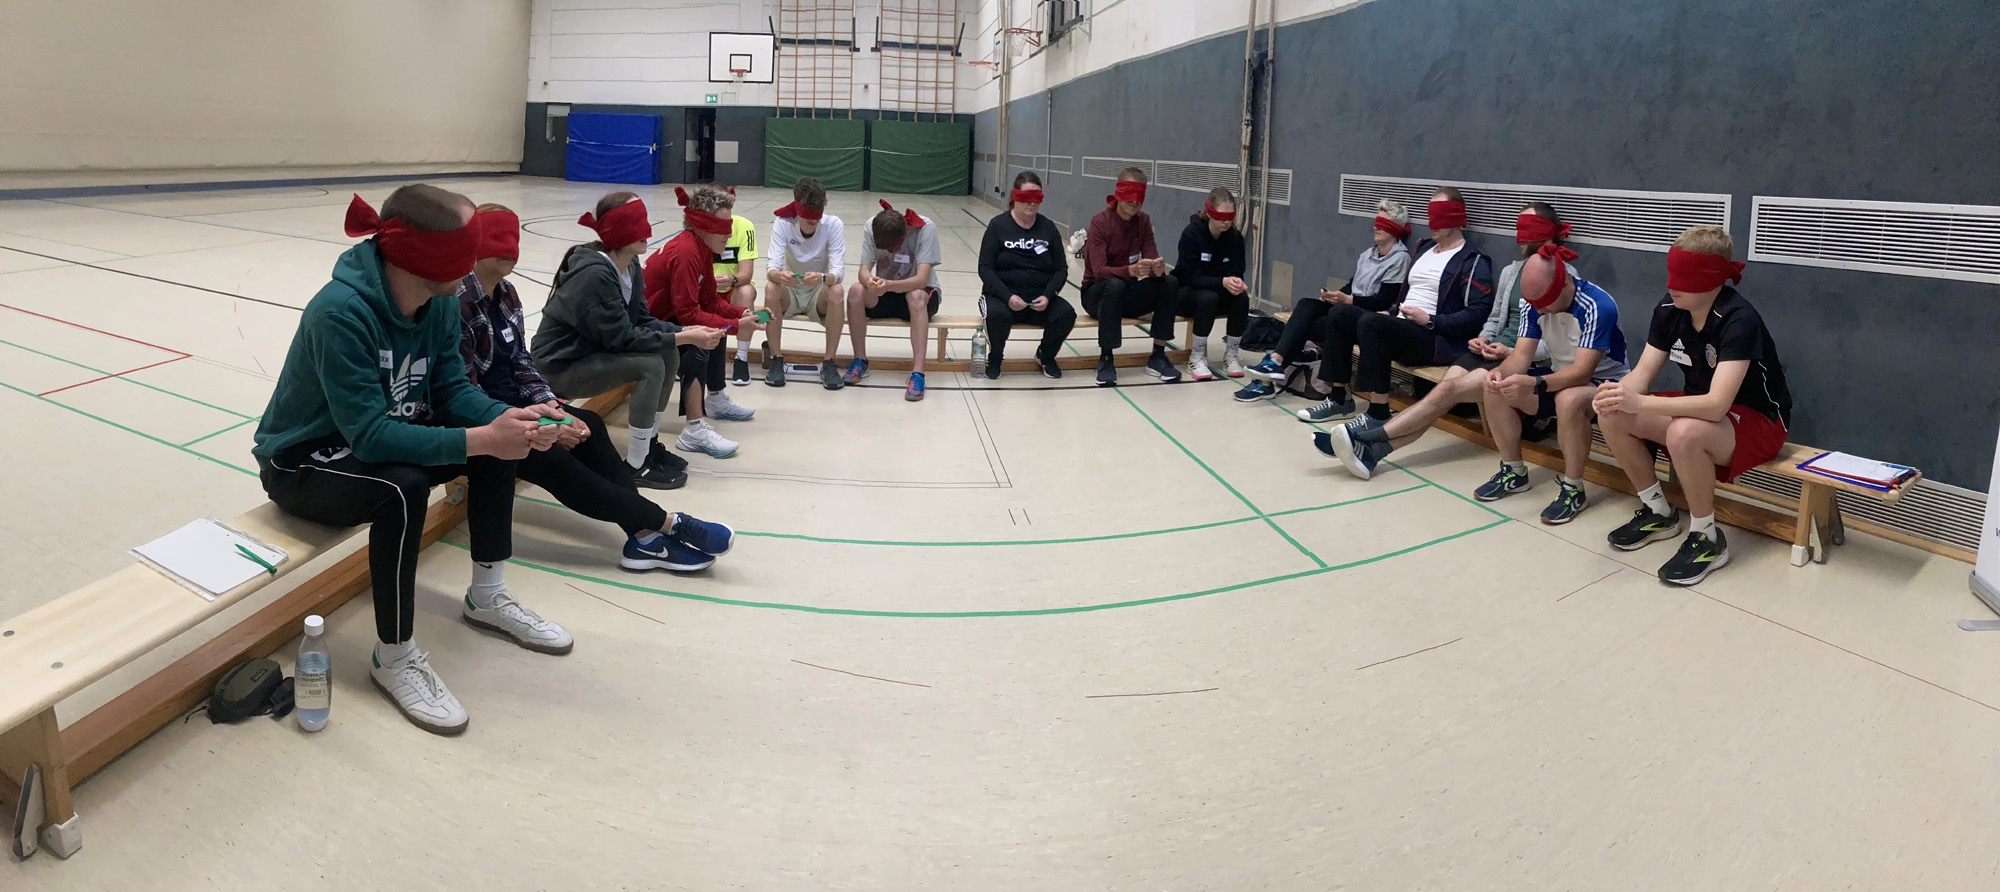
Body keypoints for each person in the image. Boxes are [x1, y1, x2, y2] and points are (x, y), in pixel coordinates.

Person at [252, 186, 565, 735]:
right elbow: (371, 437)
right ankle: (394, 657)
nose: (471, 266)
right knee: (404, 486)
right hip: (303, 461)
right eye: (462, 253)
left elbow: (452, 390)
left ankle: (487, 596)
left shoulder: (439, 302)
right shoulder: (340, 312)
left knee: (494, 444)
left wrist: (513, 418)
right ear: (426, 259)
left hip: (377, 435)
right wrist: (480, 437)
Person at [458, 203, 733, 575]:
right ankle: (667, 523)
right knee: (555, 460)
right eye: (498, 238)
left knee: (591, 425)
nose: (510, 249)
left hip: (523, 404)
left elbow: (521, 364)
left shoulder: (507, 294)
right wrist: (539, 423)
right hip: (487, 417)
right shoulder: (458, 302)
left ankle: (644, 538)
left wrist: (552, 408)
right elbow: (464, 391)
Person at [1594, 226, 1791, 585]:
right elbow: (1641, 376)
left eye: (1684, 277)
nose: (1672, 285)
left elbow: (1716, 406)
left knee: (1682, 432)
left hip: (1759, 420)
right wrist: (1617, 394)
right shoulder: (1670, 308)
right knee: (1614, 414)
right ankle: (1658, 512)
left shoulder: (1739, 319)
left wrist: (1641, 402)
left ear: (1712, 279)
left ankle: (1707, 538)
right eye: (1671, 274)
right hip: (1701, 410)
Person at [1311, 203, 1570, 470]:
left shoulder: (1564, 278)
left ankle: (1365, 439)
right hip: (1488, 351)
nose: (1519, 236)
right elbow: (1494, 318)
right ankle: (1371, 453)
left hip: (1519, 360)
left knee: (1446, 392)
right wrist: (1483, 338)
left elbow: (1558, 344)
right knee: (1437, 398)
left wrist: (1509, 352)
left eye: (1527, 228)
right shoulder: (1511, 272)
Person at [530, 192, 724, 483]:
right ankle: (636, 464)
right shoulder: (595, 275)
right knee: (650, 365)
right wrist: (683, 337)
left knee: (667, 353)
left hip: (590, 355)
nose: (648, 232)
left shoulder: (630, 266)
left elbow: (641, 320)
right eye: (637, 223)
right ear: (618, 230)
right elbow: (621, 339)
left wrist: (684, 332)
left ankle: (648, 446)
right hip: (558, 366)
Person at [1297, 186, 1493, 423]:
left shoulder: (1472, 260)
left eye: (1439, 215)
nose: (1432, 223)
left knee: (1372, 323)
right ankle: (1339, 398)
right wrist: (1389, 311)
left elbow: (1478, 313)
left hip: (1434, 337)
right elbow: (1405, 297)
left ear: (1456, 217)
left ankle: (1377, 412)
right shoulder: (1423, 250)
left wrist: (1430, 320)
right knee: (1340, 314)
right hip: (1401, 325)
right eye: (1431, 215)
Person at [1235, 197, 1412, 402]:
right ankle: (1274, 362)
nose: (1375, 227)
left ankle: (1270, 372)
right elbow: (1352, 286)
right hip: (1346, 308)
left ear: (1395, 229)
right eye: (1376, 222)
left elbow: (1383, 301)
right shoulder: (1367, 255)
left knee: (1305, 325)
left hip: (1365, 318)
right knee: (1305, 305)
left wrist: (1348, 300)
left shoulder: (1400, 259)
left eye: (1383, 223)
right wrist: (1334, 296)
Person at [645, 186, 762, 456]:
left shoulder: (701, 249)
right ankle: (694, 430)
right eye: (723, 227)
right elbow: (688, 314)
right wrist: (735, 327)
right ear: (703, 225)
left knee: (713, 324)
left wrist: (740, 314)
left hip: (666, 317)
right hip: (646, 324)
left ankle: (716, 398)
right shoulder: (686, 251)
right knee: (700, 336)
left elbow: (709, 301)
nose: (730, 233)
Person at [1080, 167, 1179, 386]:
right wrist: (1130, 270)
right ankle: (1106, 358)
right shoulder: (1100, 222)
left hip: (1127, 292)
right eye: (1129, 195)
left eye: (1139, 196)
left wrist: (1157, 269)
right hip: (1096, 295)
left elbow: (1151, 256)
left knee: (1169, 283)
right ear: (1118, 193)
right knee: (1114, 285)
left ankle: (1158, 355)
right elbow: (1099, 271)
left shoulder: (1143, 222)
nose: (1135, 201)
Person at [977, 171, 1075, 379]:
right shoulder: (998, 226)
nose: (1031, 203)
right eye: (1026, 197)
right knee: (997, 316)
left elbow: (1060, 269)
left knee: (1066, 313)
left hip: (1038, 299)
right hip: (1003, 298)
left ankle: (1045, 355)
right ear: (1015, 197)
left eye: (1036, 197)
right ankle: (995, 357)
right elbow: (985, 268)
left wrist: (1048, 295)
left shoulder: (1048, 227)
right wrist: (1008, 297)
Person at [845, 199, 942, 401]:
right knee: (855, 291)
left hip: (920, 295)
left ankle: (918, 374)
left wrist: (888, 285)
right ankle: (860, 360)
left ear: (903, 234)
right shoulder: (872, 226)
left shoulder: (925, 228)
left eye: (893, 248)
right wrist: (870, 282)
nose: (890, 253)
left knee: (916, 296)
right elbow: (863, 271)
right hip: (886, 292)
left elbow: (921, 279)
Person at [758, 176, 847, 390]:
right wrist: (780, 276)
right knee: (771, 287)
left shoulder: (833, 225)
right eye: (808, 218)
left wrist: (822, 278)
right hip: (790, 291)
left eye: (816, 217)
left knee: (837, 290)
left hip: (817, 291)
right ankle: (776, 358)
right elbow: (771, 268)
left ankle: (829, 362)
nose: (812, 222)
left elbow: (838, 271)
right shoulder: (783, 223)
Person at [1171, 187, 1253, 381]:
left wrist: (1236, 282)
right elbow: (1192, 277)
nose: (1226, 222)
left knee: (1241, 298)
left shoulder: (1235, 238)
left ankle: (1231, 355)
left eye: (1230, 217)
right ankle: (1197, 357)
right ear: (1209, 212)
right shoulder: (1191, 234)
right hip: (1187, 292)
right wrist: (1222, 282)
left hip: (1218, 291)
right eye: (1221, 216)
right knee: (1207, 298)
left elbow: (1237, 270)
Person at [712, 185, 761, 387]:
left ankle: (741, 358)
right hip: (707, 290)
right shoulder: (698, 230)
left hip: (733, 289)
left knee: (746, 291)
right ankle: (695, 353)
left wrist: (731, 280)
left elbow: (746, 274)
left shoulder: (744, 226)